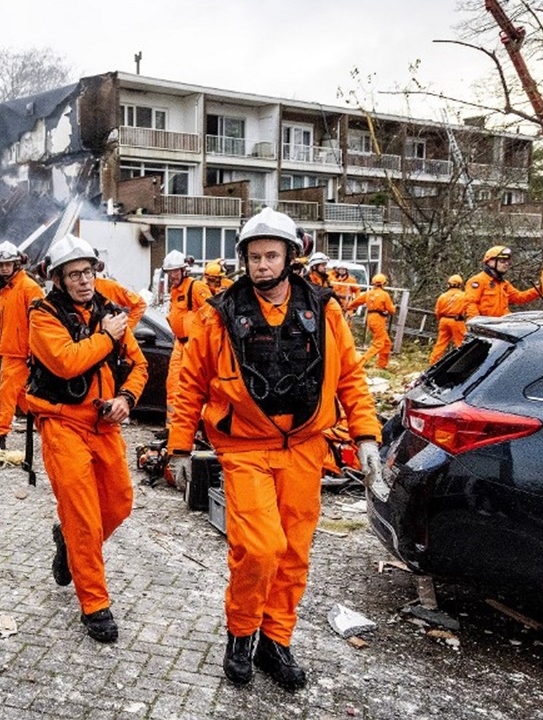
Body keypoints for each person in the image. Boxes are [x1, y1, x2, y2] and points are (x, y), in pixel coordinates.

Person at [166, 208, 382, 691]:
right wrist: (179, 446)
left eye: (271, 255)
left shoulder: (323, 309)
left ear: (290, 257)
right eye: (254, 256)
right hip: (245, 448)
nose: (262, 265)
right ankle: (241, 634)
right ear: (244, 260)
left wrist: (366, 436)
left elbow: (349, 376)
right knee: (261, 549)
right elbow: (190, 384)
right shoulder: (219, 313)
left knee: (294, 554)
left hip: (306, 447)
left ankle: (275, 641)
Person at [25, 234, 147, 643]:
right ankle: (94, 604)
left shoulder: (110, 314)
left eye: (88, 272)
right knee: (81, 513)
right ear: (58, 279)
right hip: (62, 424)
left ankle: (68, 543)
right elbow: (65, 362)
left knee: (119, 503)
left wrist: (127, 398)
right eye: (73, 274)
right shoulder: (44, 315)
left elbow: (139, 365)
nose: (83, 281)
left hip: (105, 424)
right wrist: (107, 337)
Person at [0, 242, 44, 458]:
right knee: (26, 400)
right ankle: (53, 430)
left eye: (8, 264)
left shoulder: (28, 287)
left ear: (17, 264)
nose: (4, 268)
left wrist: (35, 354)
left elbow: (40, 323)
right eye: (1, 264)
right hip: (9, 352)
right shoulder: (5, 289)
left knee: (5, 397)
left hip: (20, 354)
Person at [161, 249, 210, 432]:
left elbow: (212, 315)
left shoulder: (196, 288)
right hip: (180, 344)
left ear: (184, 270)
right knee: (173, 386)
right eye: (169, 273)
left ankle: (203, 429)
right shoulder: (175, 291)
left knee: (196, 387)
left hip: (194, 345)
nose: (172, 276)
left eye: (175, 272)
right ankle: (172, 429)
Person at [465, 245, 541, 318]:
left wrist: (540, 289)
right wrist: (476, 322)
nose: (506, 264)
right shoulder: (478, 281)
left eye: (508, 262)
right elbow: (470, 303)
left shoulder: (504, 284)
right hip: (486, 326)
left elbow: (519, 297)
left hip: (502, 324)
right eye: (502, 261)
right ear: (490, 262)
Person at [347, 273, 396, 369]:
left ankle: (382, 365)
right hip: (379, 319)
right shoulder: (385, 295)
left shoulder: (368, 293)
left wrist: (348, 307)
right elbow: (391, 310)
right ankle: (361, 361)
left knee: (386, 343)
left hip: (370, 317)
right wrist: (394, 307)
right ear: (384, 283)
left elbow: (356, 302)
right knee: (379, 343)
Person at [429, 275, 468, 364]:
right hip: (457, 321)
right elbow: (466, 310)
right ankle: (461, 364)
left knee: (440, 344)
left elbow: (438, 311)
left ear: (448, 284)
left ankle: (432, 363)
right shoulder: (464, 296)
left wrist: (441, 320)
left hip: (444, 321)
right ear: (460, 285)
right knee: (461, 344)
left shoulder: (442, 296)